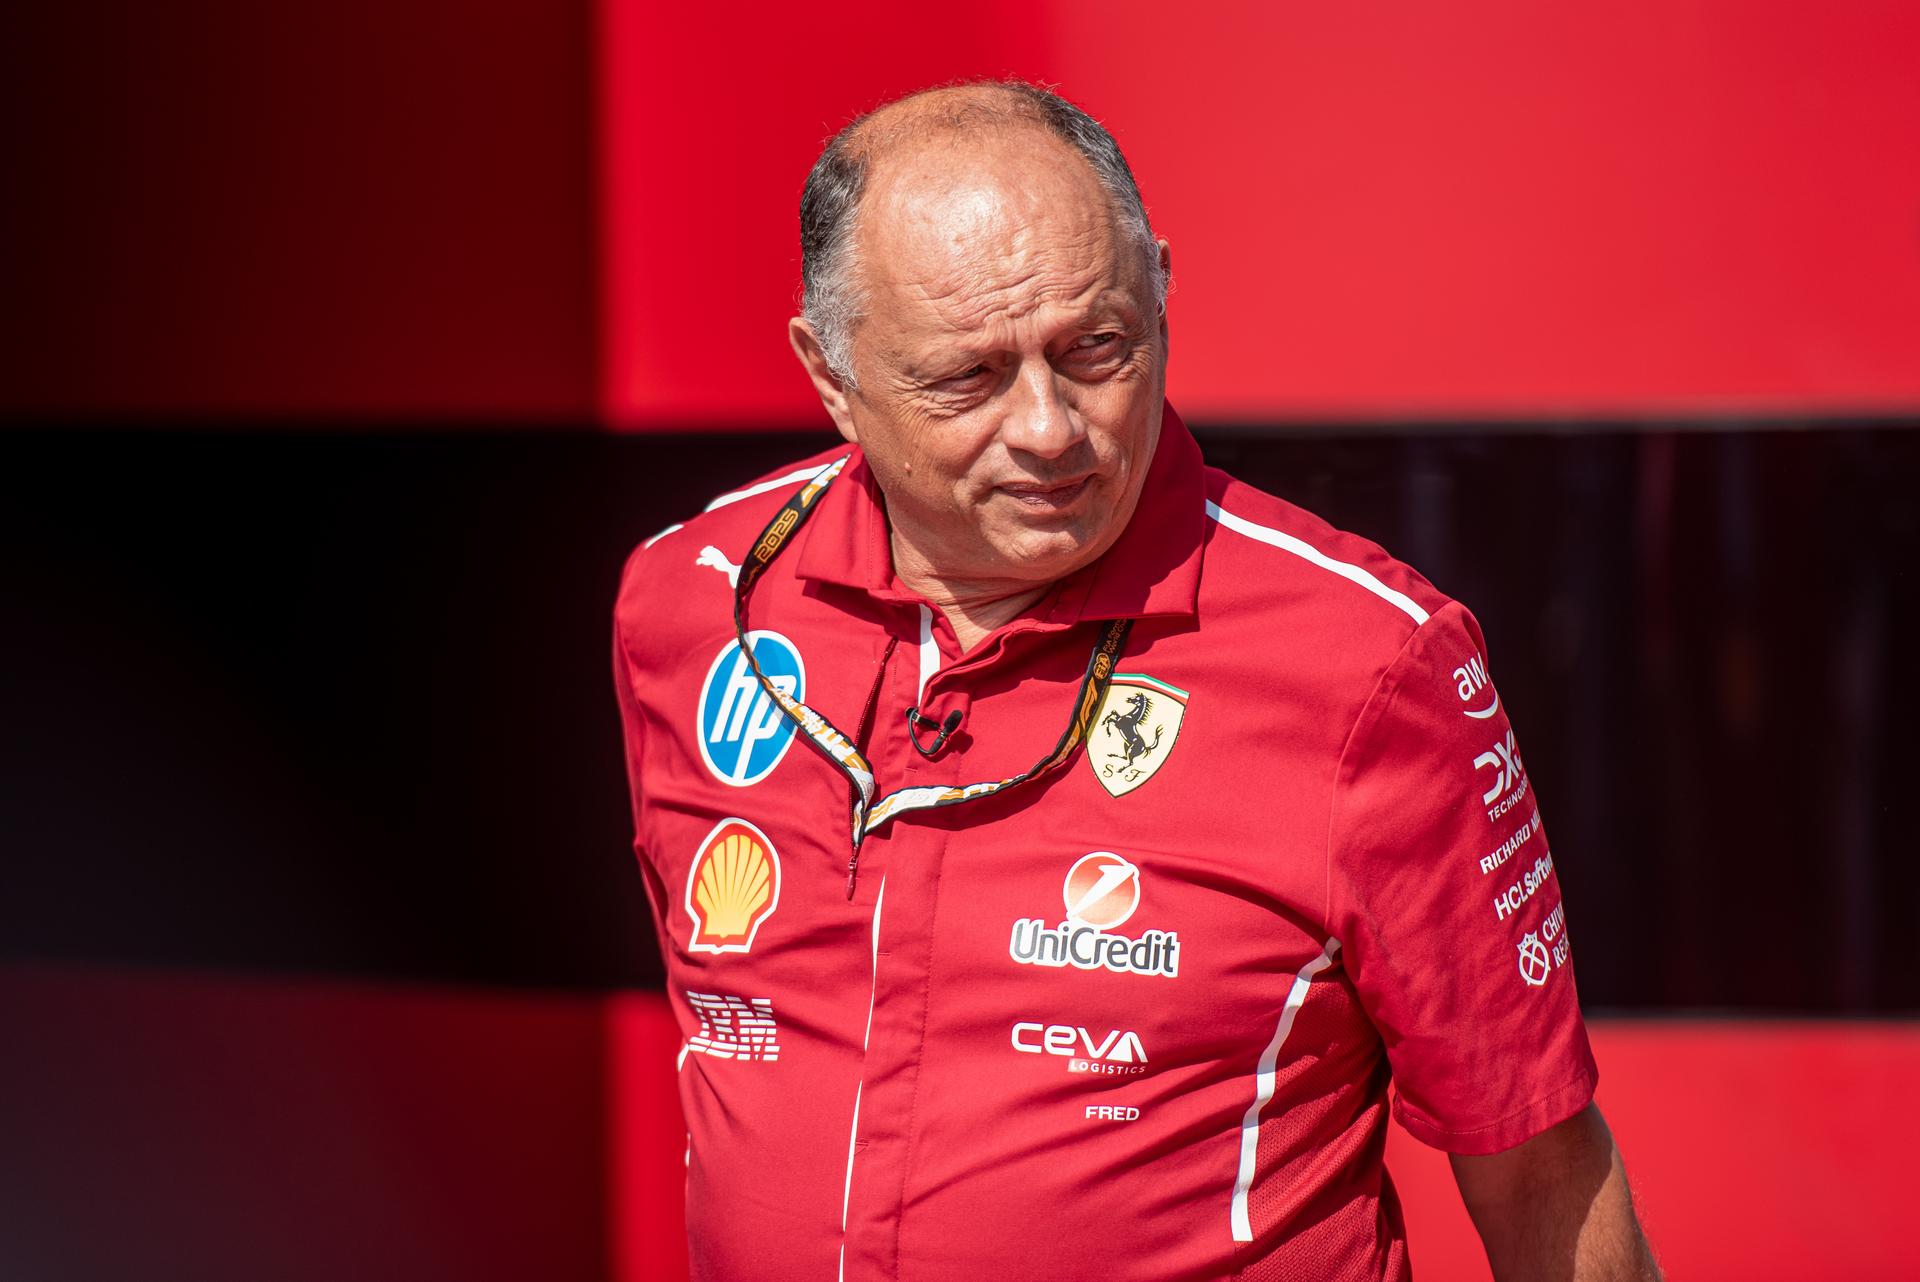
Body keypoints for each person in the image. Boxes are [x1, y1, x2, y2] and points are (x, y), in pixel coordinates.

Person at [612, 80, 1660, 1281]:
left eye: (1095, 348)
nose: (1051, 427)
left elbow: (1541, 1172)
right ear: (832, 375)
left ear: (1160, 289)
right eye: (970, 378)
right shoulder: (689, 602)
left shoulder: (1370, 661)